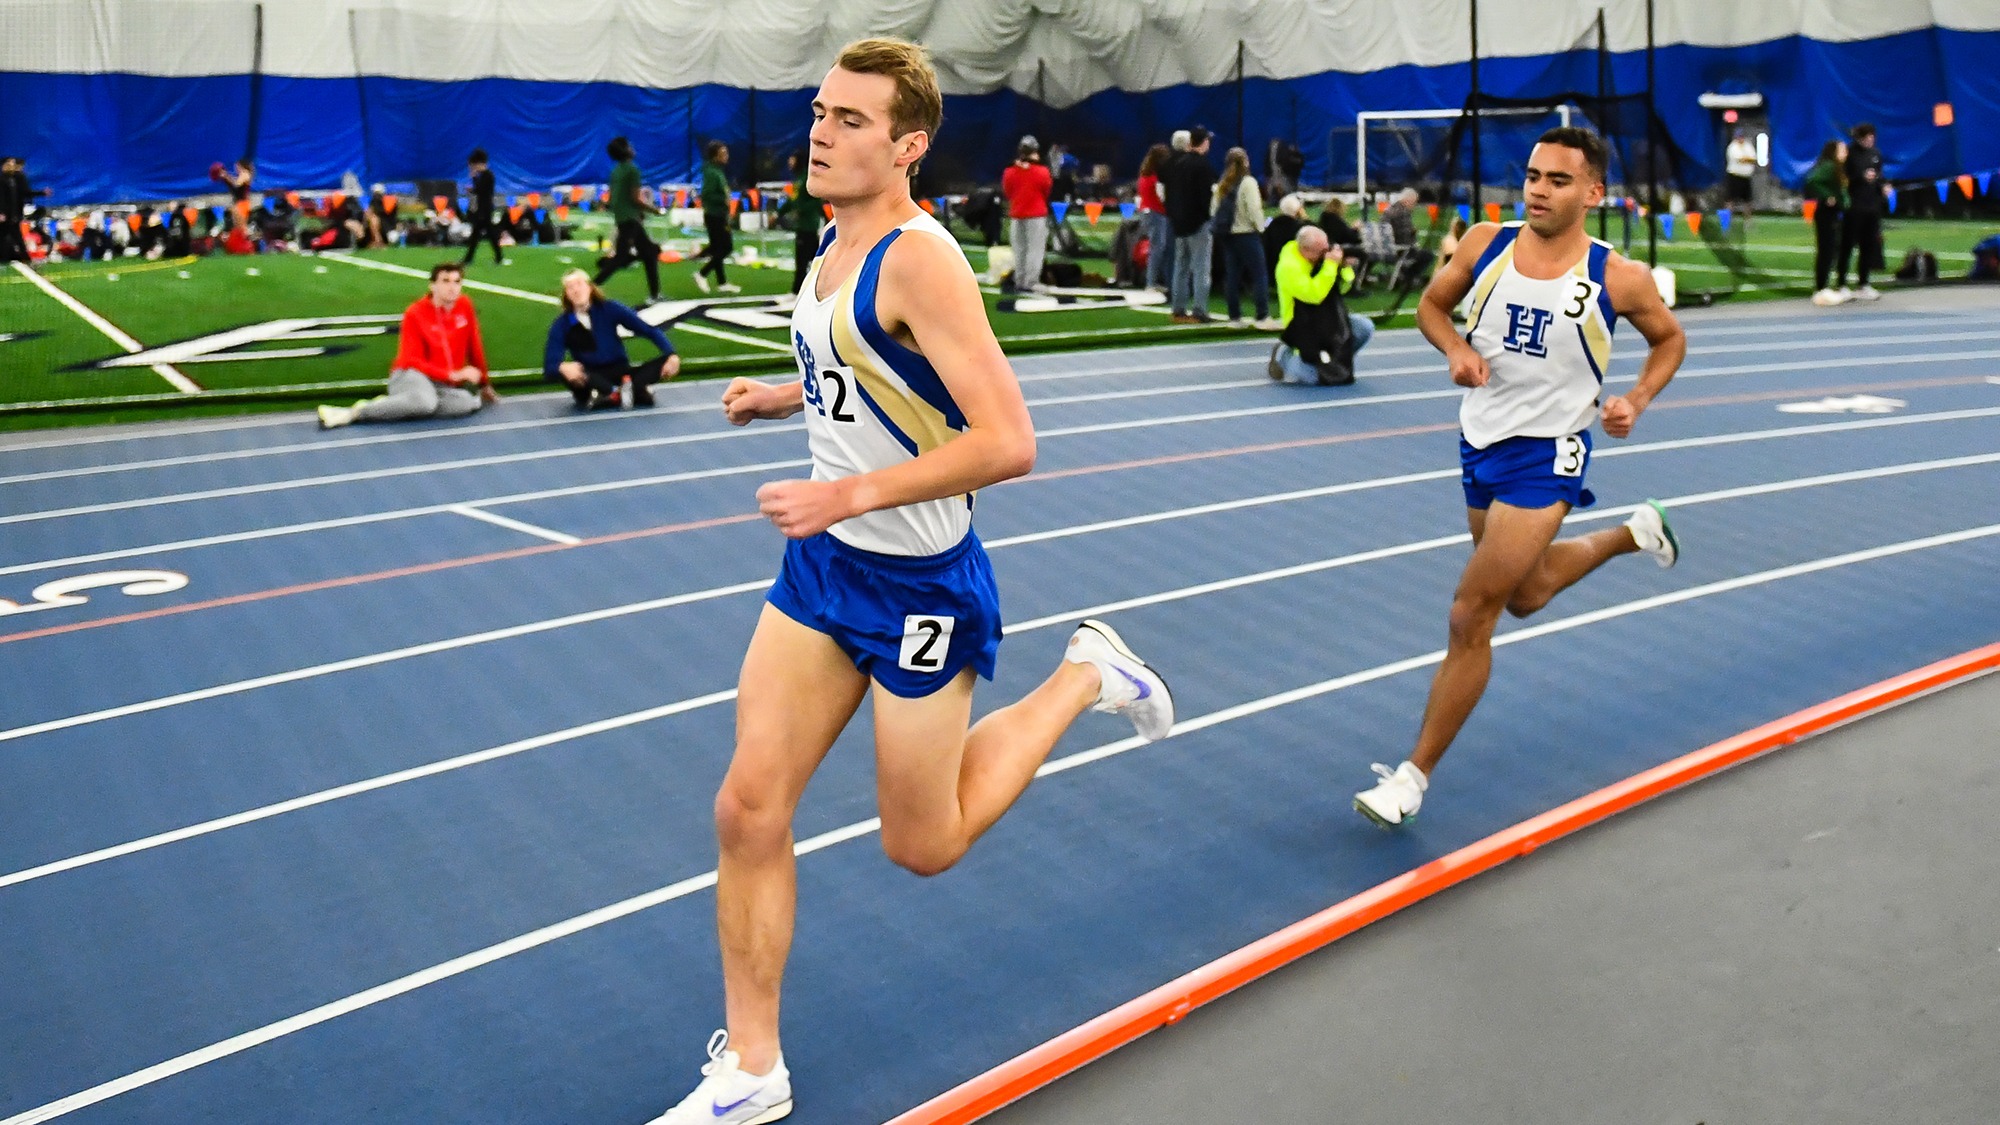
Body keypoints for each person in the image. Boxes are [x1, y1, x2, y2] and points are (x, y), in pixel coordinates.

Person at [644, 37, 1174, 1125]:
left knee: (920, 844)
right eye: (820, 113)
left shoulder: (920, 256)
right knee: (746, 808)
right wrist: (788, 400)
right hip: (823, 576)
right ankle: (752, 1071)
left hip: (922, 585)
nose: (821, 134)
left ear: (909, 146)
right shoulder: (832, 244)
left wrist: (841, 494)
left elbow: (1009, 441)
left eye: (848, 120)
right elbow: (883, 370)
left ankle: (1083, 673)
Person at [1352, 126, 1687, 828]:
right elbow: (1430, 308)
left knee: (1471, 611)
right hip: (1481, 439)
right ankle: (1633, 533)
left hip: (1552, 450)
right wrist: (1453, 351)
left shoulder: (1617, 278)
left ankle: (1412, 776)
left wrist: (1635, 399)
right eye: (1533, 175)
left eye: (1558, 180)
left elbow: (1670, 338)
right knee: (1527, 593)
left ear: (1594, 193)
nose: (1538, 188)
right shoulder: (1484, 244)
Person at [316, 262, 499, 428]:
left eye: (457, 282)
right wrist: (452, 374)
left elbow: (475, 346)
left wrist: (484, 384)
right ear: (433, 285)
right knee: (426, 404)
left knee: (466, 403)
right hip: (410, 374)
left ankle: (399, 404)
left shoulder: (465, 306)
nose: (452, 288)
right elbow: (412, 360)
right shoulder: (415, 313)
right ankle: (356, 412)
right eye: (446, 281)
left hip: (442, 383)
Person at [544, 269, 680, 409]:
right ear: (566, 295)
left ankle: (612, 394)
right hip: (590, 376)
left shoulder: (610, 308)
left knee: (664, 362)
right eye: (570, 288)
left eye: (579, 284)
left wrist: (671, 354)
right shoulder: (561, 324)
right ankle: (627, 392)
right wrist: (562, 367)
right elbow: (549, 366)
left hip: (620, 371)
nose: (576, 290)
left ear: (590, 287)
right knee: (573, 374)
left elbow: (648, 330)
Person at [1270, 225, 1374, 384]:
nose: (1326, 254)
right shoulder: (1289, 267)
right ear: (1305, 250)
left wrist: (1344, 268)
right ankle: (1284, 356)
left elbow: (1343, 289)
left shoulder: (1322, 258)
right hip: (1301, 328)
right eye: (1320, 251)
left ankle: (1334, 361)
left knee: (1364, 327)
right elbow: (1314, 295)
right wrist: (1331, 265)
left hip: (1327, 320)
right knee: (1311, 378)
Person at [592, 136, 666, 306]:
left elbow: (613, 199)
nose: (632, 147)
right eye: (628, 146)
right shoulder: (632, 170)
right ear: (625, 150)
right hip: (630, 219)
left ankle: (655, 294)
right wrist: (655, 210)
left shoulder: (616, 171)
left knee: (648, 254)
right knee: (620, 257)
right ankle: (589, 289)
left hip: (624, 218)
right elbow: (635, 199)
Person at [1213, 147, 1279, 330]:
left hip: (1228, 236)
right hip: (1247, 234)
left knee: (1232, 276)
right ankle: (1262, 316)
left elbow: (1214, 211)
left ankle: (1234, 317)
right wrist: (1261, 227)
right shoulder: (1248, 183)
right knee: (1259, 274)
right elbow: (1254, 209)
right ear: (1246, 162)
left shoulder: (1222, 184)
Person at [1164, 125, 1216, 322]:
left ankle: (1178, 309)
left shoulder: (1177, 163)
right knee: (1201, 268)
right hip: (1197, 223)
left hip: (1178, 223)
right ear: (1204, 142)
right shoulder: (1202, 165)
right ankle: (1200, 310)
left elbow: (1170, 194)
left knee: (1181, 267)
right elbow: (1205, 197)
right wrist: (1206, 217)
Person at [1837, 122, 1885, 301]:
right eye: (1867, 138)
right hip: (1854, 207)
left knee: (1868, 246)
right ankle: (1841, 283)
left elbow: (1880, 176)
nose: (1870, 141)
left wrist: (1883, 185)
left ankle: (1863, 283)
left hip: (1872, 207)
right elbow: (1846, 176)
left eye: (1872, 138)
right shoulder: (1850, 154)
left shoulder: (1876, 154)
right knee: (1847, 246)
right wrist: (1860, 177)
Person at [1001, 135, 1052, 292]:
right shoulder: (1042, 171)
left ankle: (1020, 280)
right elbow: (1046, 190)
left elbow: (1008, 192)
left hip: (1017, 214)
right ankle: (1031, 282)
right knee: (1035, 250)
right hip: (1036, 215)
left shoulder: (1010, 172)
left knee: (1019, 250)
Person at [1805, 139, 1848, 306]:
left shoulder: (1838, 168)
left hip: (1834, 213)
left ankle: (1824, 286)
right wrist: (1827, 196)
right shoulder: (1829, 166)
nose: (1845, 153)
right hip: (1825, 213)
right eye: (1842, 150)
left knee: (1831, 250)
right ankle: (1821, 288)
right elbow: (1812, 180)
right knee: (1826, 250)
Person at [694, 140, 741, 294]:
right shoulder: (711, 173)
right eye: (723, 153)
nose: (726, 156)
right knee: (726, 247)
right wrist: (724, 200)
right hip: (715, 215)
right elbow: (706, 195)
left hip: (718, 214)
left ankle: (722, 282)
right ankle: (702, 273)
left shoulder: (717, 171)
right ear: (715, 156)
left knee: (717, 248)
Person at [1135, 142, 1174, 291]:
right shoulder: (1155, 177)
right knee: (1157, 248)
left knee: (1158, 247)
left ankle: (1156, 281)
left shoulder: (1145, 174)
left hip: (1148, 212)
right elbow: (1161, 197)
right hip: (1155, 213)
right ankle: (1150, 283)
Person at [784, 149, 823, 295]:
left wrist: (800, 210)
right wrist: (780, 213)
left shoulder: (807, 178)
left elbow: (816, 201)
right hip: (803, 225)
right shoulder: (799, 179)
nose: (789, 162)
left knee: (802, 260)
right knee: (814, 259)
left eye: (792, 159)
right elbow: (793, 200)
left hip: (808, 226)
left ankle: (796, 292)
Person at [0, 156, 52, 263]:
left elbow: (23, 193)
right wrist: (1, 212)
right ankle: (15, 259)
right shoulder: (2, 180)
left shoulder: (13, 180)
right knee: (6, 238)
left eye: (13, 164)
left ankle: (24, 259)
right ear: (3, 166)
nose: (12, 166)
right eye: (9, 164)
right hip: (5, 214)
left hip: (14, 214)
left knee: (15, 237)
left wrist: (42, 193)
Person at [461, 148, 505, 266]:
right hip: (482, 208)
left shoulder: (488, 175)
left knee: (486, 234)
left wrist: (474, 180)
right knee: (479, 235)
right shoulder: (484, 175)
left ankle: (498, 257)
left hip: (485, 209)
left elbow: (481, 190)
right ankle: (470, 258)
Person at [1262, 192, 1306, 286]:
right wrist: (1305, 218)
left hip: (1271, 271)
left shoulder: (1271, 227)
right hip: (1293, 272)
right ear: (1298, 210)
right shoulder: (1301, 229)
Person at [1723, 128, 1757, 224]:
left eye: (1741, 136)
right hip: (1735, 175)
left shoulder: (1748, 146)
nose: (1740, 138)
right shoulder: (1732, 147)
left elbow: (1754, 158)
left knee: (1747, 200)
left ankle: (1748, 221)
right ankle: (1727, 221)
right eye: (1738, 136)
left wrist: (1748, 159)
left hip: (1746, 176)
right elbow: (1740, 159)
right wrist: (1748, 159)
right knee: (1730, 199)